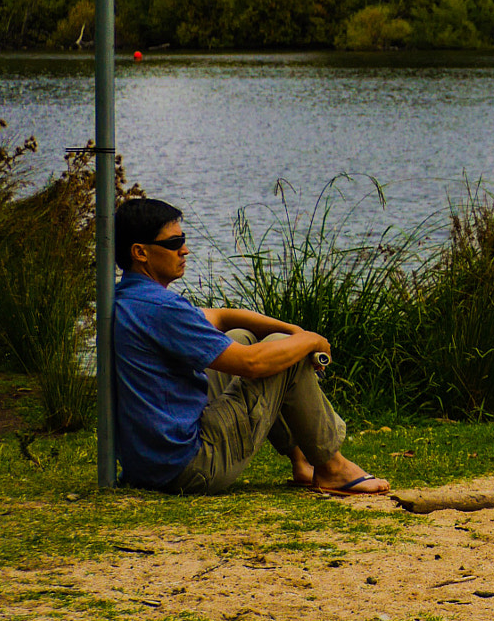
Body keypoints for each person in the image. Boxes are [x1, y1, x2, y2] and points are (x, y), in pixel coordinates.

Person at [111, 196, 389, 496]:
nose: (185, 249)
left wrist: (293, 328)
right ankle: (333, 468)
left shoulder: (129, 298)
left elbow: (220, 317)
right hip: (189, 469)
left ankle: (302, 460)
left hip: (150, 465)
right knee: (283, 351)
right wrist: (306, 339)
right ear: (140, 252)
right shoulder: (162, 308)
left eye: (184, 238)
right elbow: (251, 364)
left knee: (243, 335)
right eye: (174, 242)